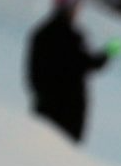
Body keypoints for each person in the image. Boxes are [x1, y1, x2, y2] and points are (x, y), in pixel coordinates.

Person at [25, 0, 113, 144]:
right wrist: (109, 52)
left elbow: (32, 75)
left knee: (38, 149)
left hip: (44, 105)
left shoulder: (40, 33)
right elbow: (88, 64)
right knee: (63, 154)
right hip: (70, 110)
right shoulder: (73, 36)